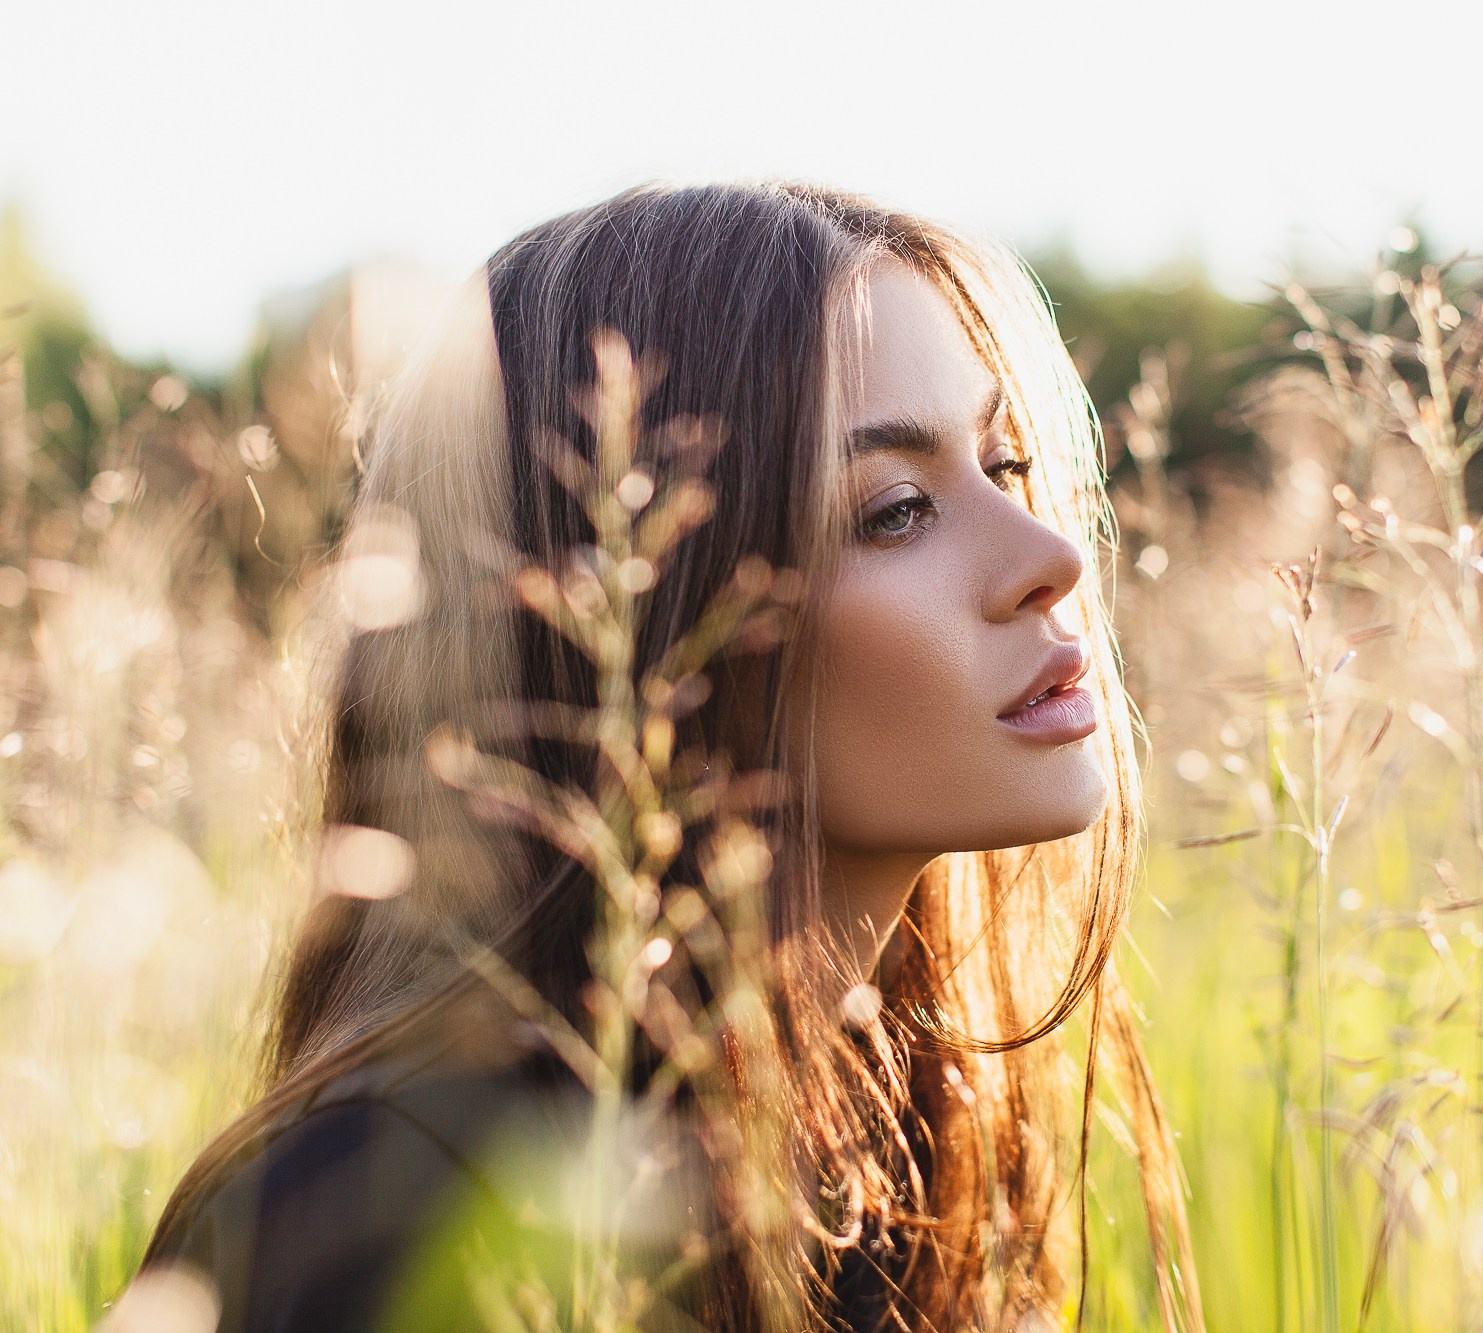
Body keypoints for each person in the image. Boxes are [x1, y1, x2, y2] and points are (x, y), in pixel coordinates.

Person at [128, 181, 1202, 1333]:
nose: (1051, 559)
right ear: (642, 622)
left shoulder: (896, 1141)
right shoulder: (378, 1212)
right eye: (894, 510)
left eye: (1005, 468)